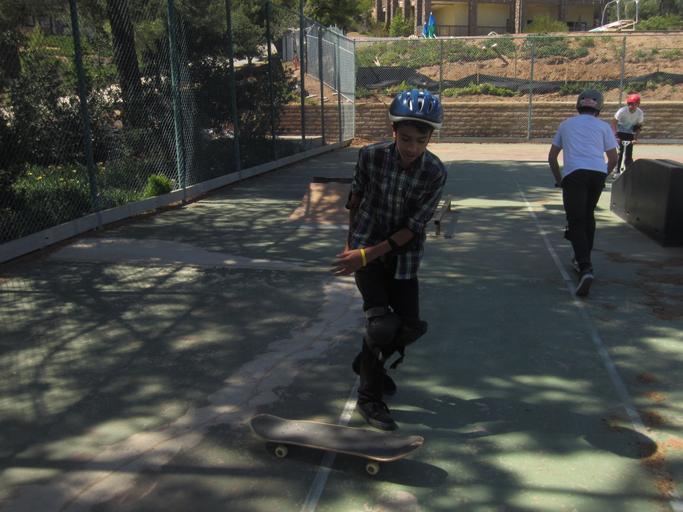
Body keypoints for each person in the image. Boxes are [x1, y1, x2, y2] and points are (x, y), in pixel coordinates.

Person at [331, 89, 447, 430]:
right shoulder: (371, 156)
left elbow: (413, 228)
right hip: (365, 244)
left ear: (430, 138)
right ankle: (369, 398)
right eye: (406, 138)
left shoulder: (434, 172)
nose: (412, 148)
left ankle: (366, 363)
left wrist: (365, 254)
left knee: (410, 327)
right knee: (381, 326)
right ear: (393, 131)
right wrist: (352, 246)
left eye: (421, 141)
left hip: (403, 255)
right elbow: (355, 199)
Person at [548, 89, 618, 298]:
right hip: (597, 174)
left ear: (578, 105)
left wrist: (560, 180)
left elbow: (552, 157)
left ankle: (585, 267)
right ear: (599, 107)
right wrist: (602, 176)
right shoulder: (604, 126)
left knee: (576, 220)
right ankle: (582, 258)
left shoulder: (566, 124)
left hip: (574, 174)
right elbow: (613, 159)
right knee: (588, 216)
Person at [611, 93, 645, 174]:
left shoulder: (640, 113)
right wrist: (615, 136)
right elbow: (614, 122)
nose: (631, 106)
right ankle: (617, 170)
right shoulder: (622, 111)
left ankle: (629, 172)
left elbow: (639, 126)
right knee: (620, 152)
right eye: (630, 104)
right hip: (619, 132)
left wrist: (635, 139)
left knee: (629, 154)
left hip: (630, 134)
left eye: (634, 104)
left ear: (638, 104)